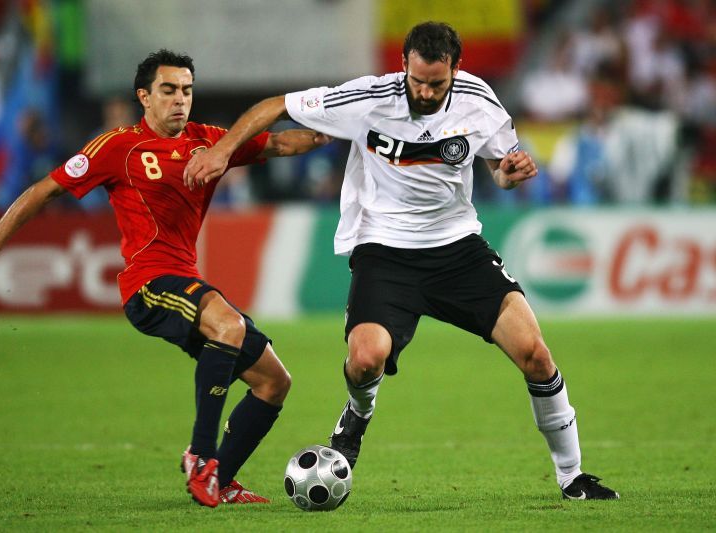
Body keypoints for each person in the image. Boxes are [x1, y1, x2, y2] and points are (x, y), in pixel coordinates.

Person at [185, 22, 620, 501]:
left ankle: (572, 476)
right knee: (364, 359)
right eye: (417, 81)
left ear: (456, 68)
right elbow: (276, 107)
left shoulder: (480, 100)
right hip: (384, 252)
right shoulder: (368, 98)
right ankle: (358, 413)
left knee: (536, 355)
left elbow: (500, 168)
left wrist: (510, 173)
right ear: (405, 67)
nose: (426, 91)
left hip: (457, 248)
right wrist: (221, 152)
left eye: (437, 83)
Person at [0, 49, 330, 508]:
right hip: (149, 285)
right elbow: (45, 189)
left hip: (184, 279)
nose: (180, 100)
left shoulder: (208, 142)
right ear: (144, 97)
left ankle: (221, 481)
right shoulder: (117, 147)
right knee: (228, 326)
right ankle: (202, 458)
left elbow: (279, 143)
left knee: (274, 381)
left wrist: (336, 125)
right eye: (169, 90)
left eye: (187, 91)